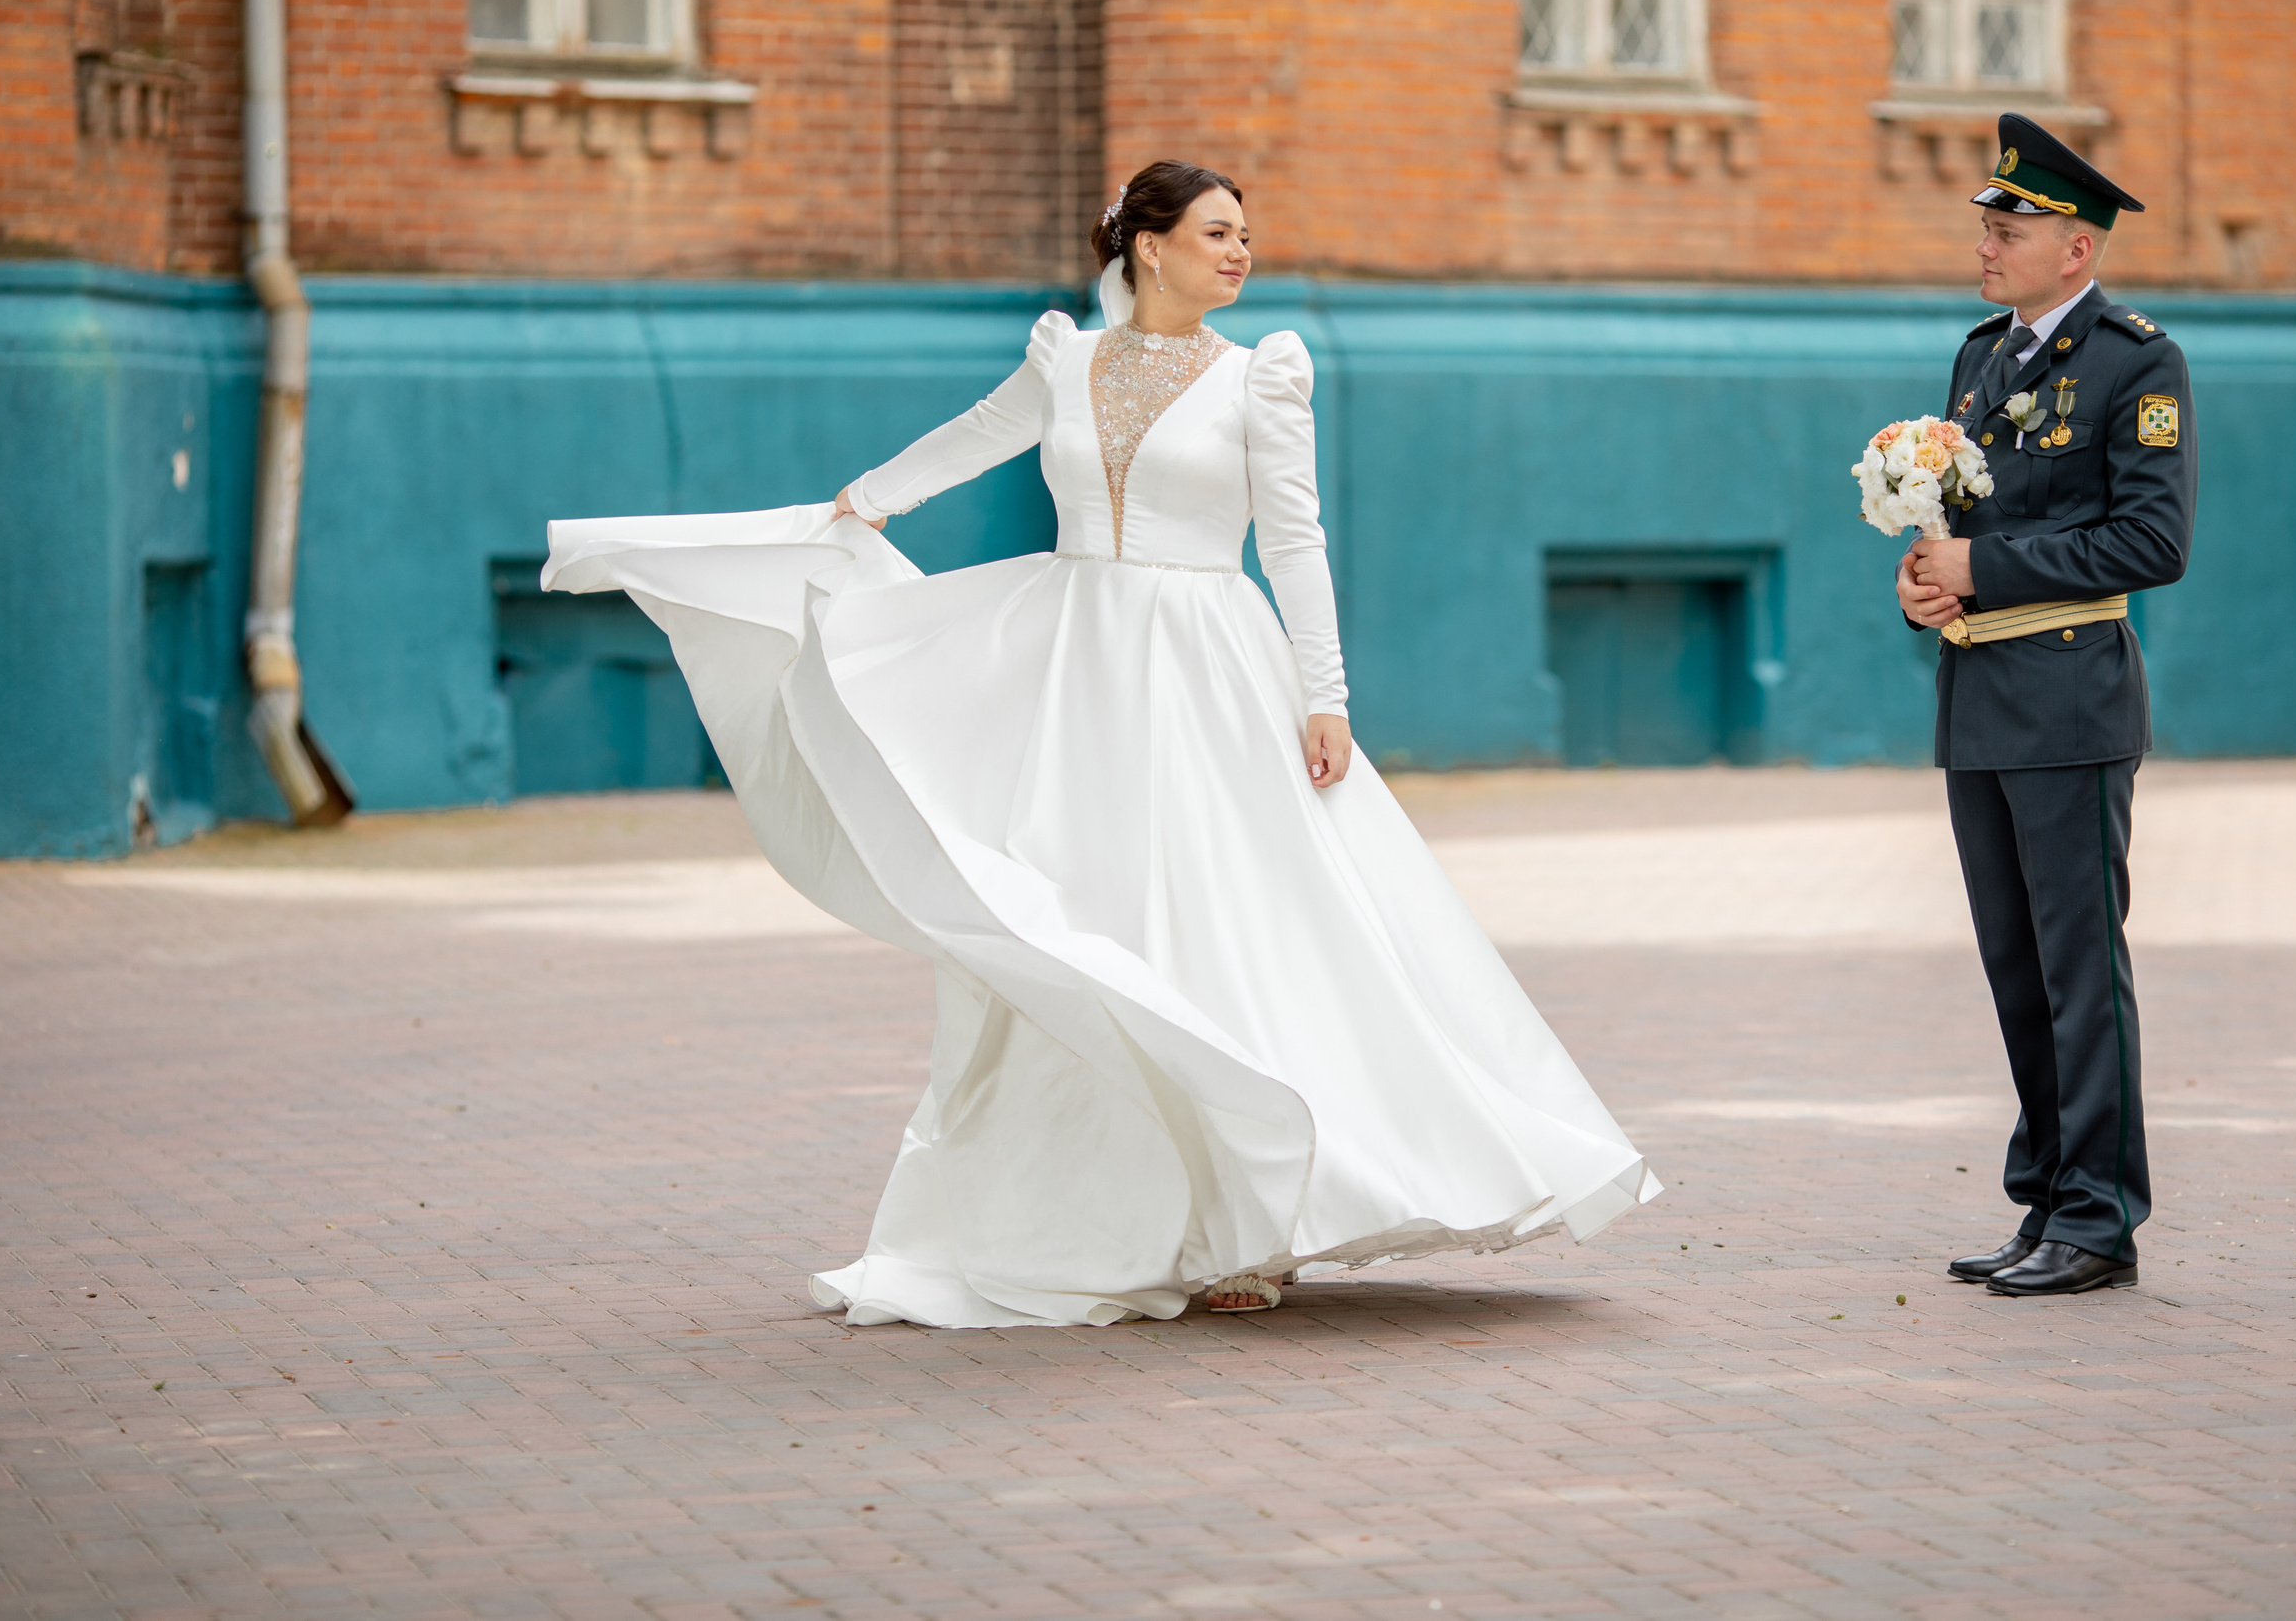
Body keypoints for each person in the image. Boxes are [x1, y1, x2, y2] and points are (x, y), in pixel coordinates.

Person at [543, 160, 1654, 1327]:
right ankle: (1087, 1207)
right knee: (1078, 916)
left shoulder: (1260, 379)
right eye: (1217, 232)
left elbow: (1295, 543)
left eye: (1246, 235)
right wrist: (855, 506)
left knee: (1220, 919)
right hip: (1075, 665)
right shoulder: (1062, 361)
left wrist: (1322, 695)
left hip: (1207, 664)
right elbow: (972, 439)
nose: (1241, 252)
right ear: (1149, 246)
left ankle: (1251, 1228)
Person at [1897, 115, 2196, 1297]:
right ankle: (2045, 1201)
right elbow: (1954, 516)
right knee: (2016, 970)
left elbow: (2153, 539)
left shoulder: (2136, 362)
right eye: (1984, 221)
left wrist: (1985, 570)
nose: (1986, 240)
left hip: (2071, 698)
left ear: (2075, 247)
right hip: (1978, 697)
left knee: (2079, 968)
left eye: (2006, 224)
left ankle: (2099, 1218)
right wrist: (1925, 580)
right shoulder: (1980, 358)